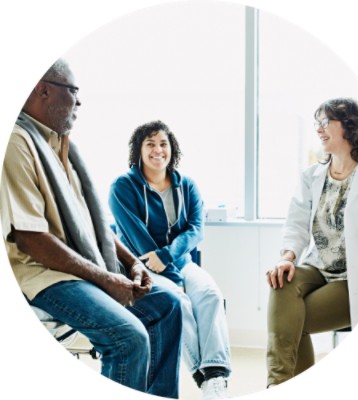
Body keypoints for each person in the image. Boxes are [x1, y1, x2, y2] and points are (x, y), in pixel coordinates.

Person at [0, 59, 183, 398]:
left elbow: (93, 225)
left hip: (85, 268)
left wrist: (132, 264)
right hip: (45, 275)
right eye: (73, 91)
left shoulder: (64, 148)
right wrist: (106, 279)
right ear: (43, 90)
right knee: (127, 336)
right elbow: (30, 239)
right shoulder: (16, 143)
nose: (79, 101)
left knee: (168, 305)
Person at [265, 97, 358, 387]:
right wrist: (287, 257)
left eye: (325, 122)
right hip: (317, 266)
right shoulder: (311, 176)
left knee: (289, 321)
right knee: (281, 281)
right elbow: (297, 223)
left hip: (355, 276)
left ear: (349, 126)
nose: (318, 129)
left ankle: (278, 387)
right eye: (317, 123)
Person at [108, 120, 232, 400]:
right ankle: (203, 375)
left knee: (211, 295)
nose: (157, 150)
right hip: (141, 267)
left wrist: (169, 258)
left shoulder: (186, 185)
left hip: (180, 262)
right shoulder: (123, 187)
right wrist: (174, 279)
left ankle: (216, 376)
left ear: (171, 149)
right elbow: (138, 239)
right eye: (150, 144)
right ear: (138, 150)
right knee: (180, 302)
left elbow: (195, 229)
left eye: (163, 143)